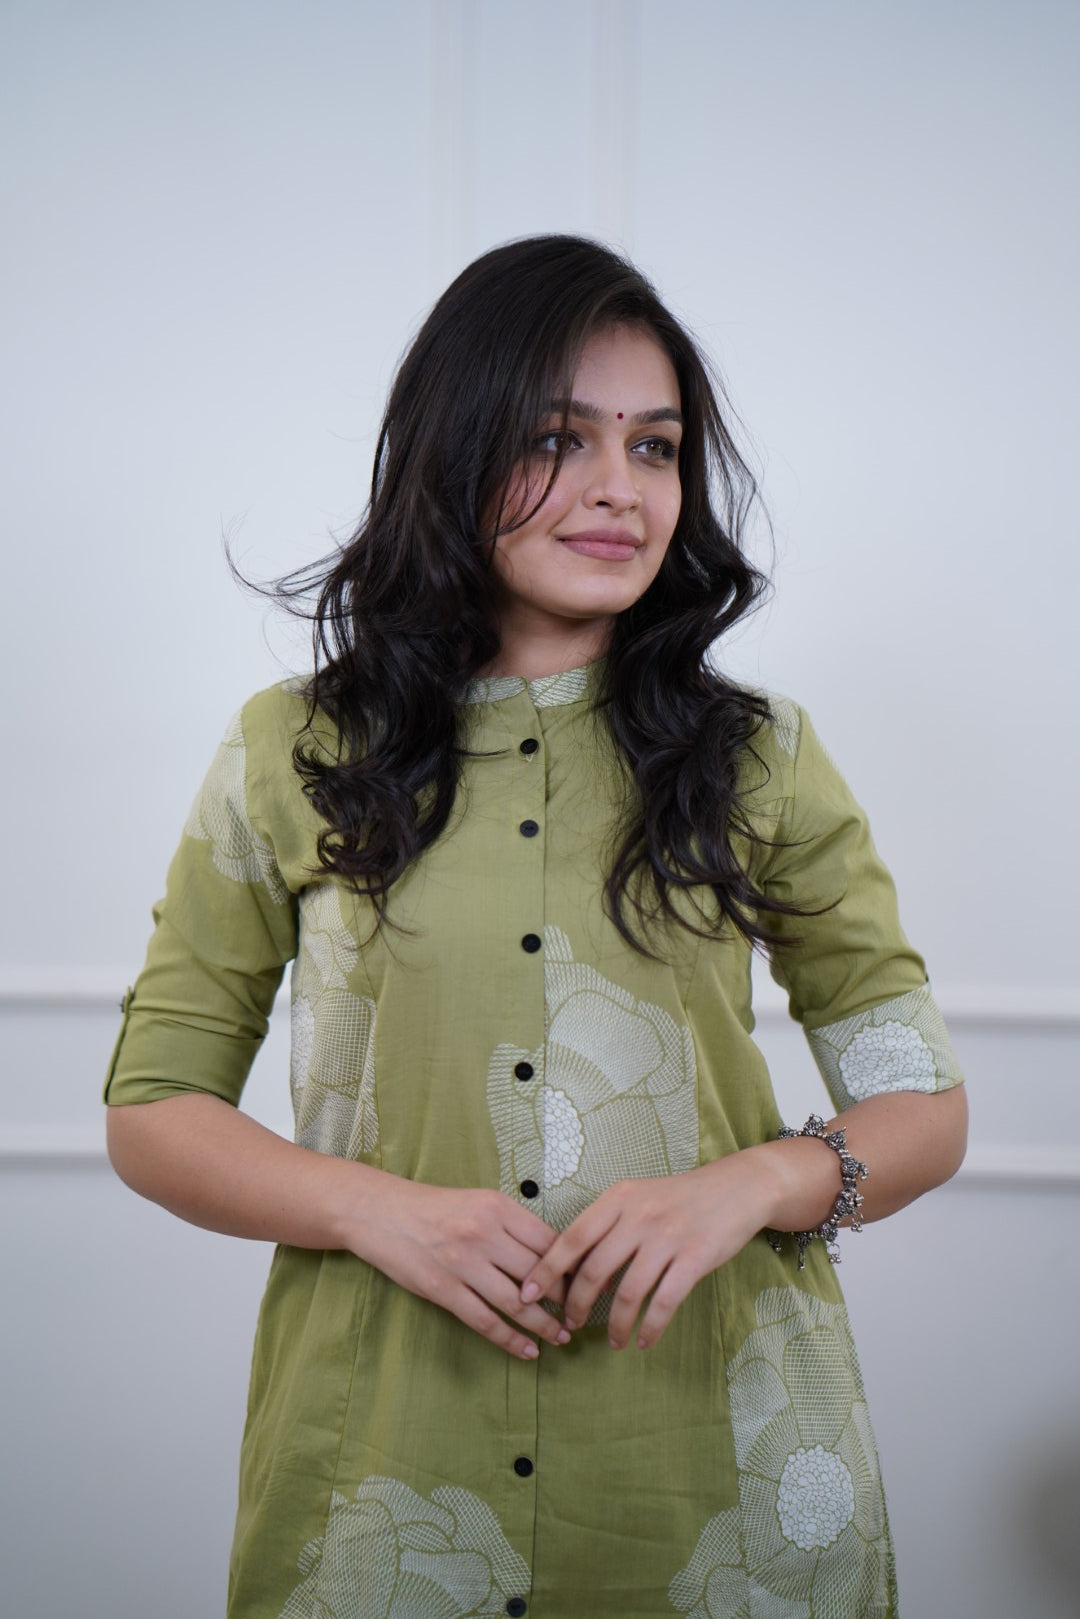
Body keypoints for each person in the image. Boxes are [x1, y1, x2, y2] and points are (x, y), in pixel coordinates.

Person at [104, 234, 967, 1619]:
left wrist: (751, 1183)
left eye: (655, 446)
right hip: (386, 1461)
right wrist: (374, 1210)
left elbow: (924, 1105)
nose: (622, 488)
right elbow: (154, 1110)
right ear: (453, 454)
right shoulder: (296, 752)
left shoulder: (764, 761)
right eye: (559, 439)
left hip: (711, 1467)